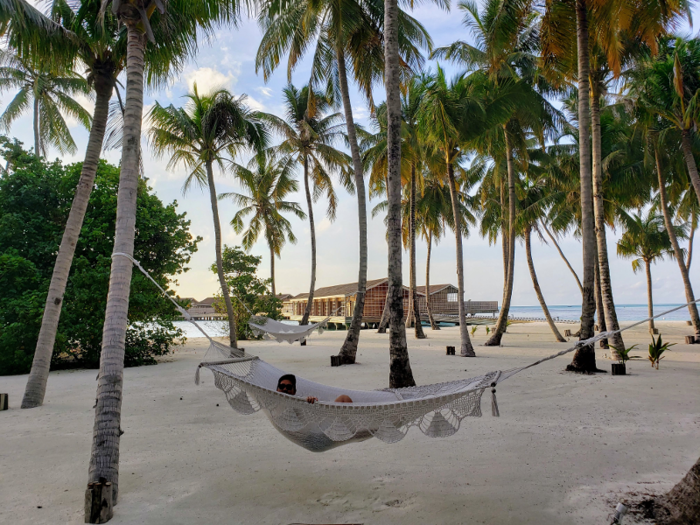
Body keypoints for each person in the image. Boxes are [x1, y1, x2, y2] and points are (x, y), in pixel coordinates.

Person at [276, 374, 352, 404]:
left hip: (321, 424)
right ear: (277, 389)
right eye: (282, 386)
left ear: (294, 391)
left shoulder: (298, 401)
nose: (285, 389)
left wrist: (310, 401)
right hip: (307, 432)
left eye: (289, 387)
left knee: (344, 398)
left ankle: (356, 430)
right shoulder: (272, 401)